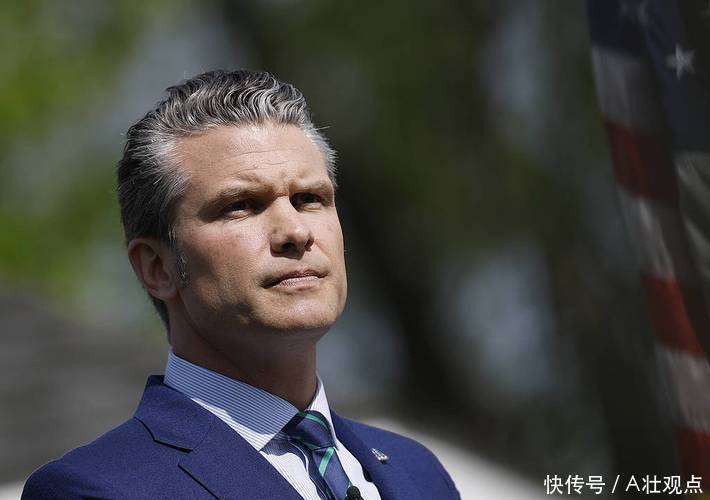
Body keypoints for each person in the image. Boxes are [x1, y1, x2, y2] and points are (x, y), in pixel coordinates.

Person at [21, 70, 460, 500]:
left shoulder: (418, 473)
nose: (295, 232)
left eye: (310, 199)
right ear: (157, 267)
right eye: (242, 206)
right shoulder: (97, 490)